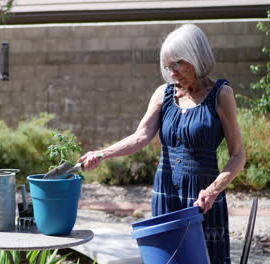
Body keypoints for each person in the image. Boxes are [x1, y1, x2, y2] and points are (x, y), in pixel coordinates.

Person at [78, 24, 245, 264]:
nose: (171, 73)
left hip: (202, 195)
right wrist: (101, 154)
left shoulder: (221, 94)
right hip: (165, 190)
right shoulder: (163, 94)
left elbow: (238, 155)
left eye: (177, 64)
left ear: (196, 57)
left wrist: (213, 190)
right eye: (167, 67)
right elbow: (140, 137)